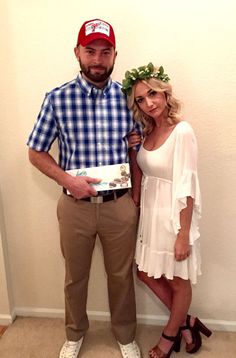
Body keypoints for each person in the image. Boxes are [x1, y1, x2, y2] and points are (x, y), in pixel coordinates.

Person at [27, 19, 142, 358]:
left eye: (105, 52)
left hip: (119, 204)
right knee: (74, 277)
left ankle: (125, 336)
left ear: (114, 55)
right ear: (77, 52)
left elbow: (139, 146)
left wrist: (135, 198)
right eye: (90, 51)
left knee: (121, 276)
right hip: (74, 206)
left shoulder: (128, 98)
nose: (97, 59)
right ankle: (74, 333)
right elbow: (35, 151)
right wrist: (68, 180)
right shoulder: (57, 99)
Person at [122, 63, 212, 358]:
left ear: (164, 93)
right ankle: (187, 320)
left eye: (152, 94)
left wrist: (183, 233)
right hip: (151, 215)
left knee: (177, 279)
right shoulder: (147, 133)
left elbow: (186, 185)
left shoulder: (182, 131)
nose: (149, 102)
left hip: (173, 216)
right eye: (140, 99)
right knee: (145, 273)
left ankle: (169, 335)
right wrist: (134, 150)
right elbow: (145, 174)